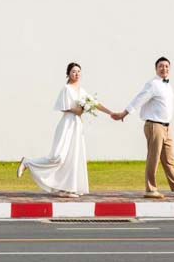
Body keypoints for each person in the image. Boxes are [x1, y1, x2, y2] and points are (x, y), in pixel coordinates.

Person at [18, 62, 120, 197]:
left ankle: (67, 189)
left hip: (77, 126)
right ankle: (28, 162)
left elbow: (94, 104)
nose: (76, 74)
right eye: (73, 71)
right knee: (58, 157)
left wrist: (111, 113)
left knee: (73, 157)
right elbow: (61, 106)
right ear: (68, 74)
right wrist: (75, 110)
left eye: (78, 71)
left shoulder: (82, 90)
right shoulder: (66, 89)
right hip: (67, 124)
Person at [113, 55, 174, 199]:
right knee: (154, 158)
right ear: (156, 68)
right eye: (161, 66)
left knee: (169, 159)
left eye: (166, 66)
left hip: (166, 127)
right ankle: (150, 189)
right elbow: (138, 99)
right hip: (154, 125)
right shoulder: (153, 84)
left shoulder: (168, 85)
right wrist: (124, 113)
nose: (164, 68)